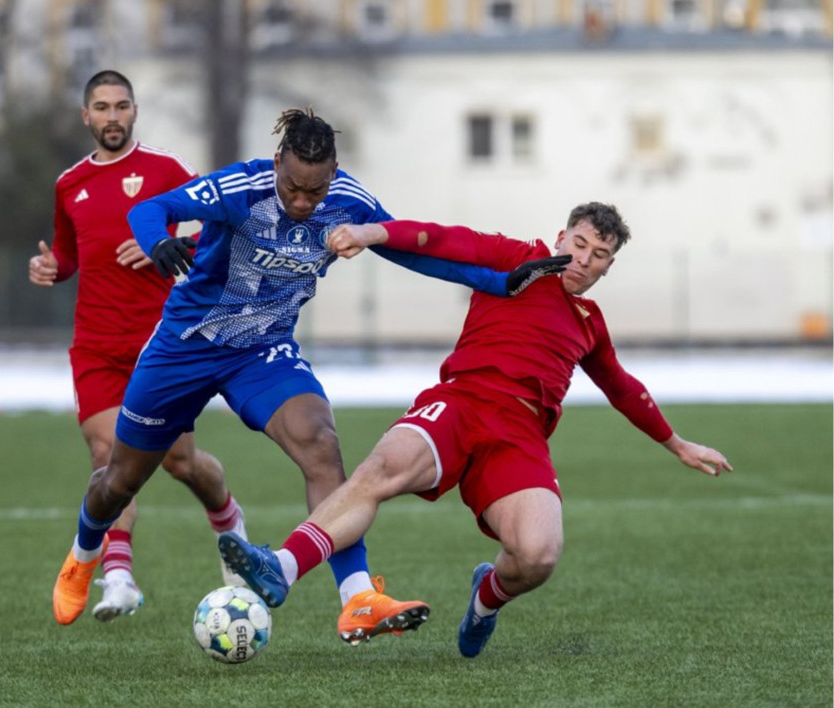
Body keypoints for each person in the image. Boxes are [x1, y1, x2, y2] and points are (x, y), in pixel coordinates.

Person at [51, 107, 569, 640]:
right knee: (120, 480)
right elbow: (153, 207)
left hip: (262, 350)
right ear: (277, 163)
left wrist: (499, 281)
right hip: (185, 347)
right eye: (293, 188)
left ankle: (358, 597)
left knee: (320, 442)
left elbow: (408, 249)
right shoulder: (241, 187)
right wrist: (157, 240)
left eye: (315, 192)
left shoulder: (349, 201)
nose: (303, 202)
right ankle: (83, 554)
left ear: (333, 174)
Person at [219, 202, 733, 657]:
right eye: (579, 244)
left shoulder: (589, 322)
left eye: (599, 255)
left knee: (538, 555)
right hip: (462, 401)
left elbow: (621, 387)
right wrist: (372, 232)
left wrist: (677, 443)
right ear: (561, 237)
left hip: (520, 433)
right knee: (384, 468)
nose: (584, 259)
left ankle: (485, 600)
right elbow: (444, 239)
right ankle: (282, 566)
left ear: (609, 265)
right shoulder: (516, 258)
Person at [31, 70, 248, 625]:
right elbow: (70, 255)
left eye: (122, 106)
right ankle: (120, 577)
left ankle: (229, 522)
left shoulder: (166, 170)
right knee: (109, 456)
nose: (113, 116)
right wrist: (52, 267)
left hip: (161, 346)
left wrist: (169, 244)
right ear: (86, 115)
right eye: (102, 107)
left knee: (181, 462)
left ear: (134, 111)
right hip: (96, 346)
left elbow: (225, 227)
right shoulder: (69, 184)